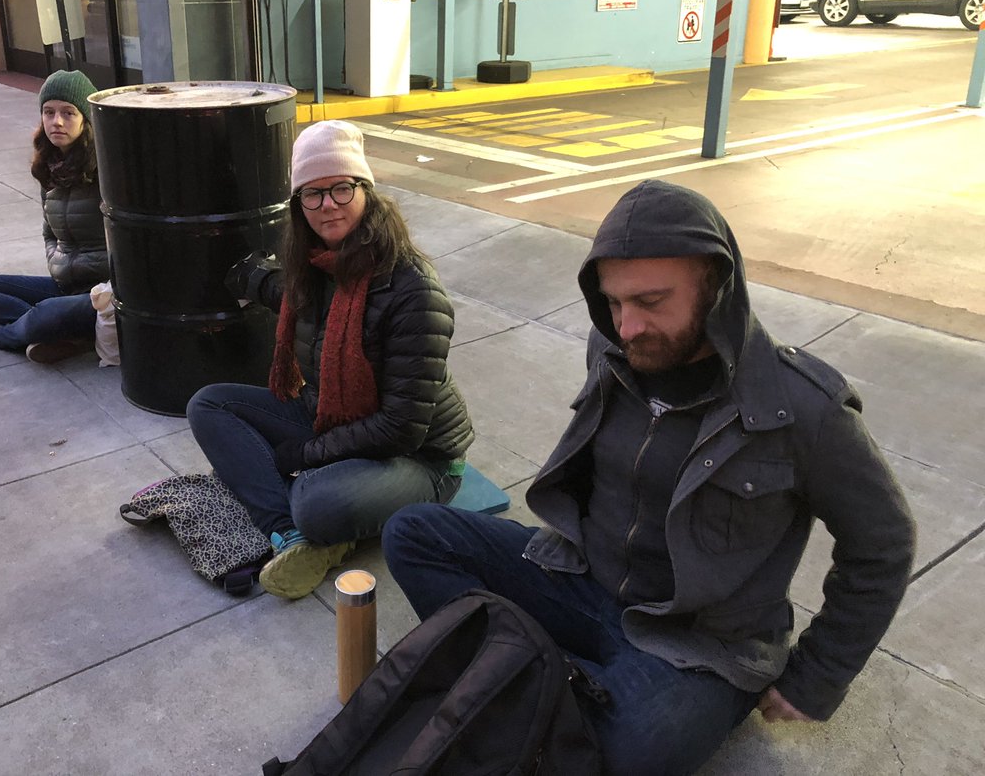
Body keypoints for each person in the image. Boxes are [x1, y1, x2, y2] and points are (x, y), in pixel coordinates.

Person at [383, 180, 916, 775]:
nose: (627, 326)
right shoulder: (612, 350)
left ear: (717, 285)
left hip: (697, 645)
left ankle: (527, 672)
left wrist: (818, 675)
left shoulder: (803, 406)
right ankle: (553, 678)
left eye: (651, 302)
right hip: (583, 581)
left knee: (634, 751)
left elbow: (884, 543)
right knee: (412, 535)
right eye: (614, 303)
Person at [187, 120, 474, 600]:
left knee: (316, 501)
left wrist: (301, 456)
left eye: (341, 188)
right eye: (312, 194)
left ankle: (309, 524)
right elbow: (287, 297)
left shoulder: (413, 291)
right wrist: (246, 277)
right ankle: (291, 536)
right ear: (298, 204)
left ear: (366, 190)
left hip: (420, 458)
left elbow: (402, 429)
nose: (328, 205)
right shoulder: (316, 265)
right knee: (209, 406)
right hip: (329, 414)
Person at [0, 70, 107, 365]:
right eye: (49, 112)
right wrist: (57, 261)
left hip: (101, 291)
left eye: (68, 112)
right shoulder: (50, 168)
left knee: (47, 313)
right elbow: (49, 232)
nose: (56, 121)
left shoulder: (106, 170)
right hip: (64, 283)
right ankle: (63, 333)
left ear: (86, 120)